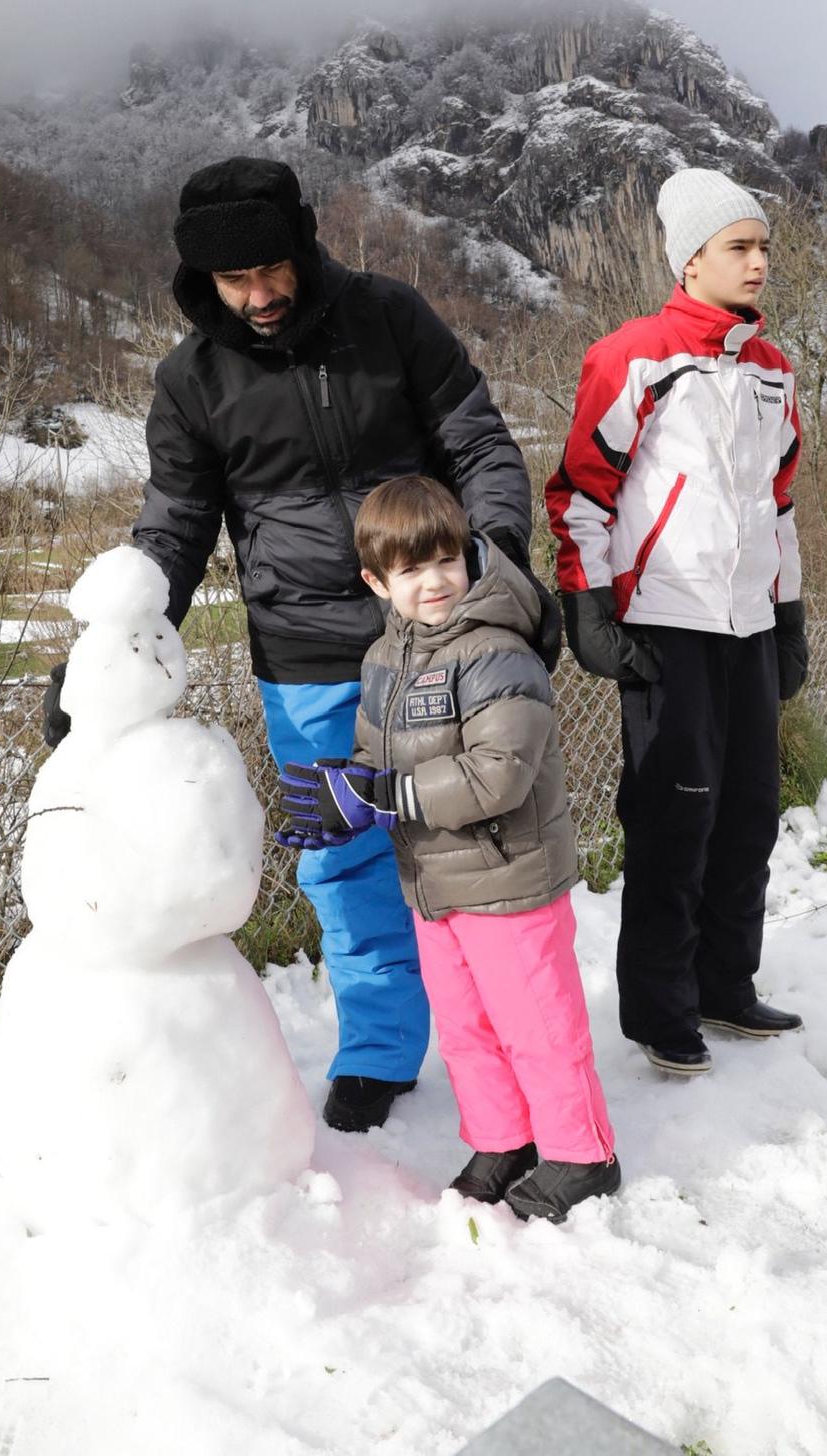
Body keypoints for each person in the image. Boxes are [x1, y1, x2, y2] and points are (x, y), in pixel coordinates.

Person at [44, 157, 545, 1134]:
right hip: (307, 661)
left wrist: (503, 566)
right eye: (236, 280)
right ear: (202, 281)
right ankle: (379, 1049)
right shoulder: (191, 380)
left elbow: (479, 443)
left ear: (303, 245)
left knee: (478, 839)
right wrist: (107, 653)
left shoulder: (390, 318)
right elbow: (174, 525)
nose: (261, 293)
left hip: (440, 639)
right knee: (344, 857)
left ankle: (516, 1035)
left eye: (273, 267)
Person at [276, 475, 619, 1225]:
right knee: (466, 1027)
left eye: (445, 561)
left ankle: (581, 1154)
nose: (433, 582)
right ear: (376, 581)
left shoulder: (496, 651)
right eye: (410, 570)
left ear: (466, 556)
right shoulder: (382, 661)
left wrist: (383, 796)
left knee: (535, 1023)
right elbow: (373, 759)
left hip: (509, 879)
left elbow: (497, 776)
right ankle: (504, 1139)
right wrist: (343, 800)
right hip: (432, 884)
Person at [546, 168, 808, 1075]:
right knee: (674, 819)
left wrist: (789, 615)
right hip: (667, 627)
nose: (758, 262)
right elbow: (581, 491)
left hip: (747, 628)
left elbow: (777, 505)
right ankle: (661, 1013)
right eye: (738, 247)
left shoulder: (772, 371)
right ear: (688, 259)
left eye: (763, 246)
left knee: (748, 814)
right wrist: (588, 607)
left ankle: (724, 986)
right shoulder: (635, 355)